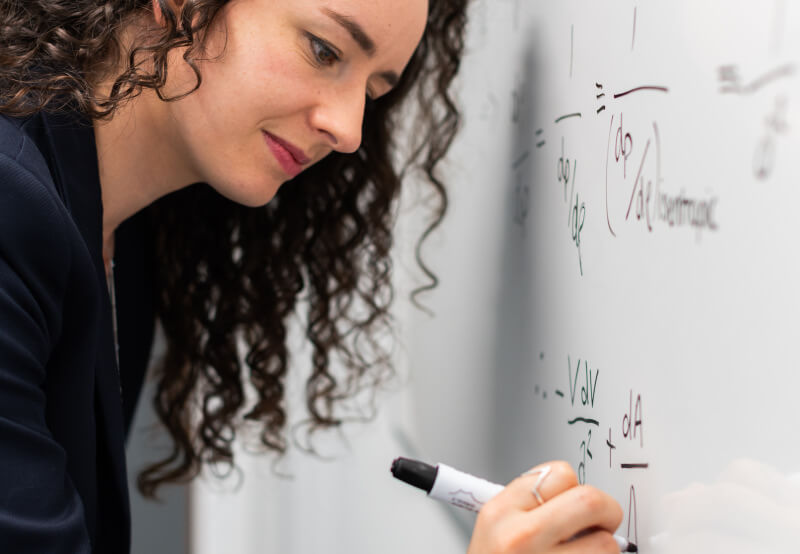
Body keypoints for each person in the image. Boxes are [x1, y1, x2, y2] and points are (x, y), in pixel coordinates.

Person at [0, 0, 623, 552]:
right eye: (323, 49)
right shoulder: (13, 211)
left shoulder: (127, 227)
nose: (350, 130)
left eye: (374, 92)